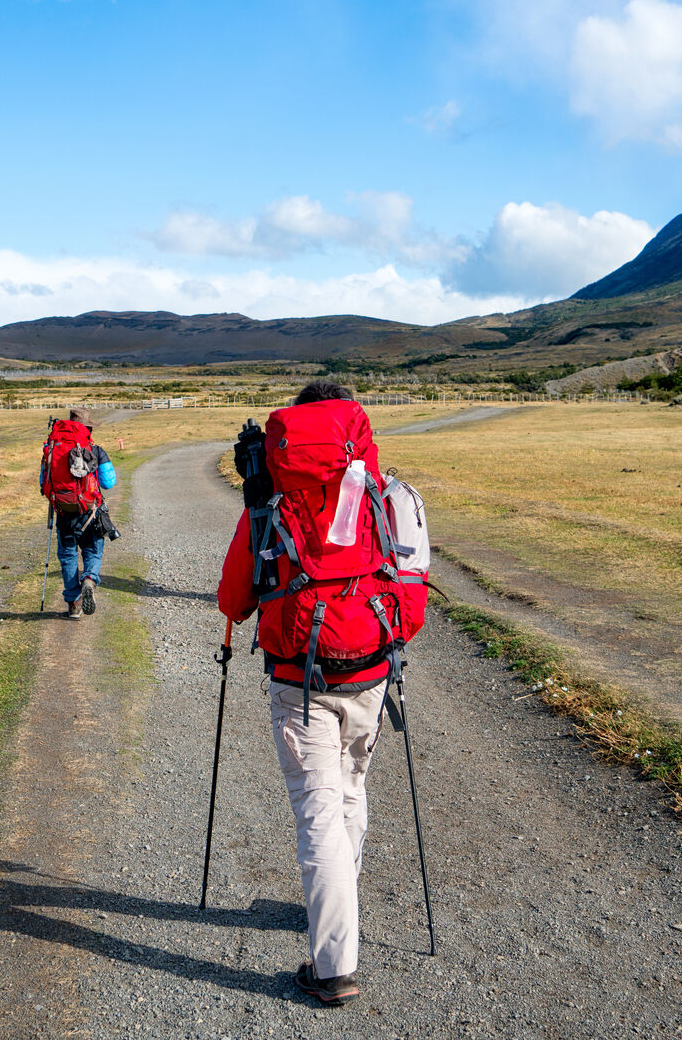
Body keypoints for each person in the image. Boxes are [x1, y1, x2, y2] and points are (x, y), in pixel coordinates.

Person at [215, 380, 426, 1006]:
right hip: (371, 671)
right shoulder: (393, 495)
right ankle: (339, 901)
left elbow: (234, 600)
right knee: (351, 790)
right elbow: (412, 589)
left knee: (318, 814)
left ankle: (333, 967)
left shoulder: (269, 502)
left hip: (297, 678)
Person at [44, 407, 117, 619]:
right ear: (88, 429)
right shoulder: (96, 450)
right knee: (93, 551)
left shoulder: (52, 448)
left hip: (63, 512)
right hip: (90, 512)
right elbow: (109, 482)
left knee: (68, 556)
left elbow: (43, 483)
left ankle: (74, 604)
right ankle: (89, 579)